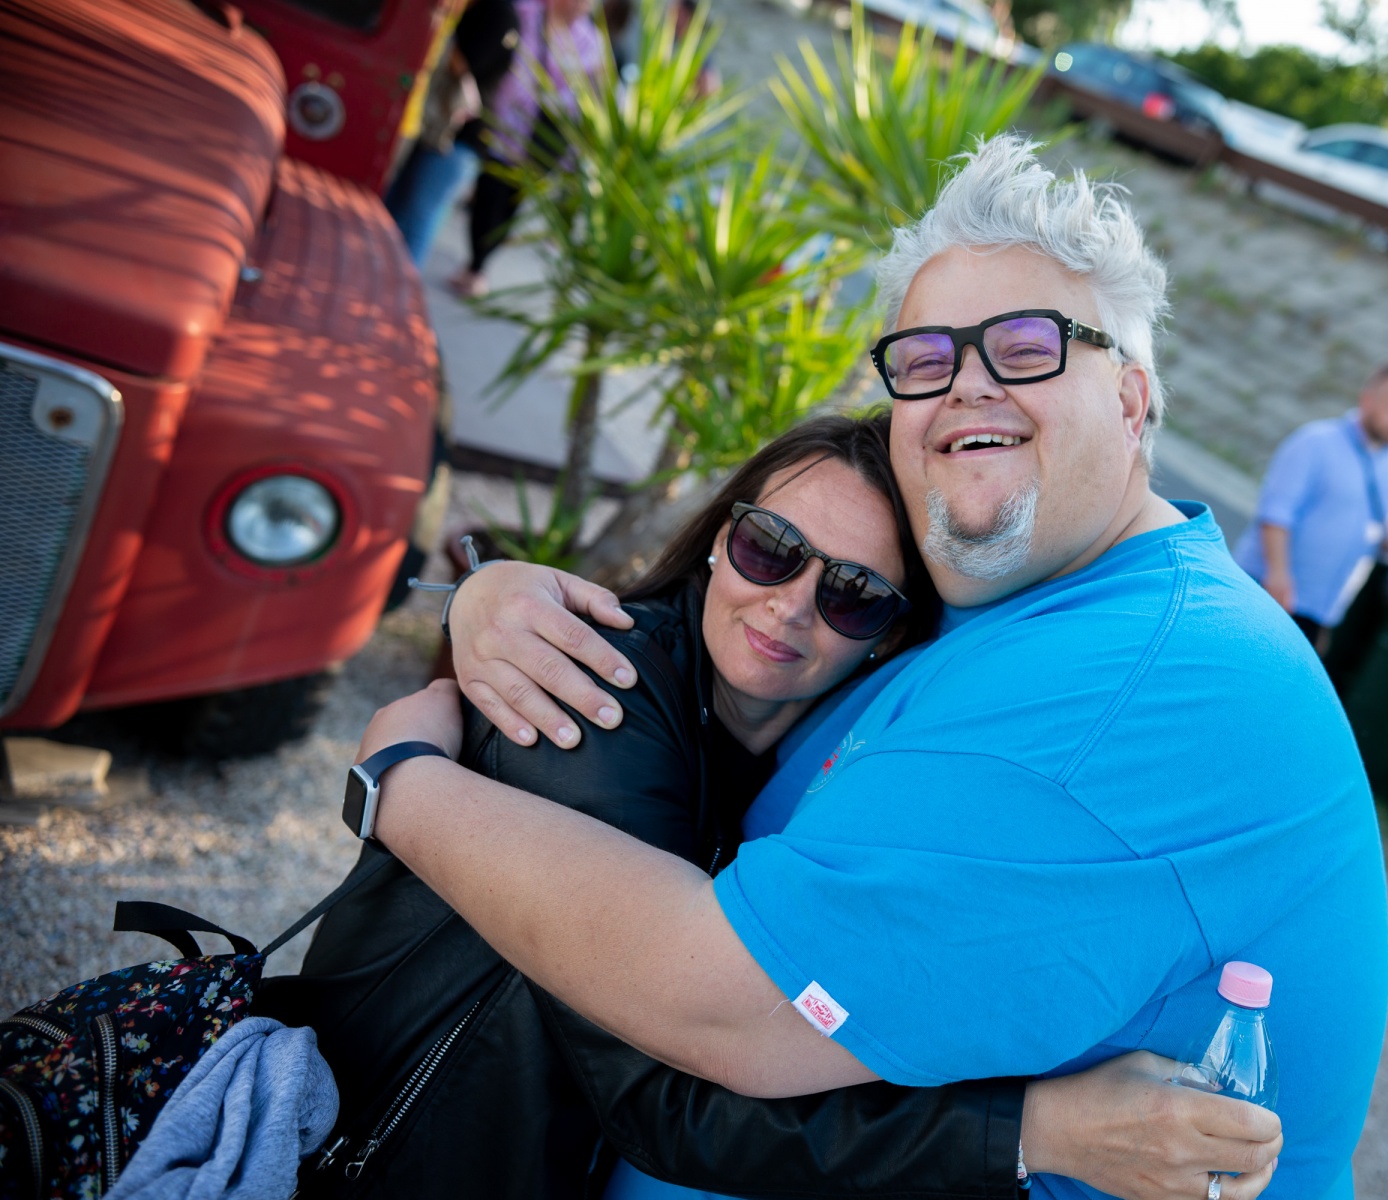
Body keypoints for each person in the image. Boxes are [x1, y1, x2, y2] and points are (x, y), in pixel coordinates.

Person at [353, 136, 1388, 1200]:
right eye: (926, 361)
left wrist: (396, 783)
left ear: (1130, 403)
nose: (966, 386)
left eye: (1024, 347)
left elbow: (724, 1009)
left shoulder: (1130, 679)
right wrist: (494, 592)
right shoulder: (1021, 606)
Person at [265, 414, 1274, 1197]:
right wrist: (1036, 1131)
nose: (788, 605)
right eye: (769, 547)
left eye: (853, 594)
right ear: (720, 537)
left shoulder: (808, 770)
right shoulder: (596, 698)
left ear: (890, 637)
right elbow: (660, 1096)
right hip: (376, 1161)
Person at [1232, 363, 1388, 649]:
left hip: (1321, 613)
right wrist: (1278, 576)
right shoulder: (1315, 442)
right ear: (1367, 399)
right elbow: (1275, 515)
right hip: (1264, 590)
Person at [450, 0, 610, 299]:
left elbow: (593, 94)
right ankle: (476, 265)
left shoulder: (591, 42)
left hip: (540, 140)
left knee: (511, 205)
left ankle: (479, 263)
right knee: (489, 195)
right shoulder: (527, 11)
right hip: (503, 124)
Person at [383, 0, 520, 265]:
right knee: (396, 209)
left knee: (417, 218)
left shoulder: (499, 14)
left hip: (461, 140)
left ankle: (400, 285)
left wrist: (440, 29)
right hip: (439, 131)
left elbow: (468, 65)